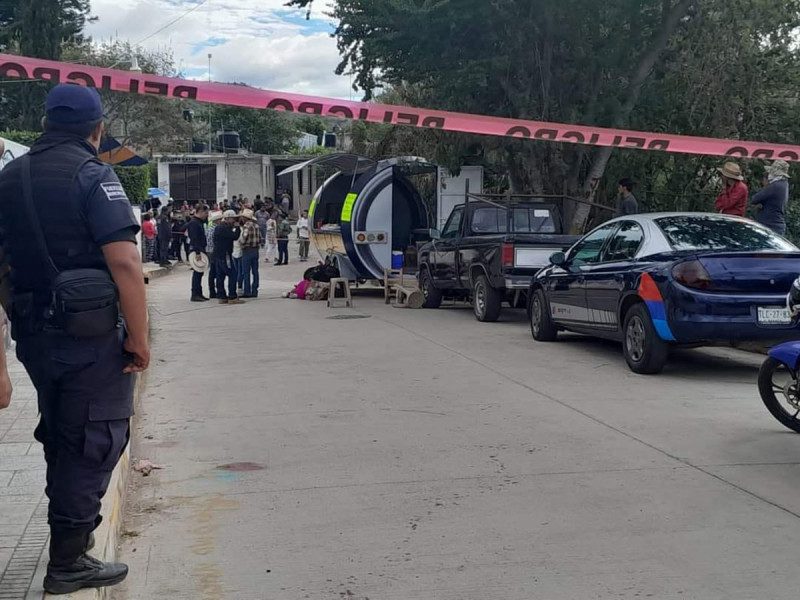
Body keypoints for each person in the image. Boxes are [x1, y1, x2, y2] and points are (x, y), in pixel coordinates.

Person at [0, 84, 149, 594]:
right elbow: (125, 262)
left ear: (44, 123)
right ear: (97, 129)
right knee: (95, 438)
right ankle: (68, 561)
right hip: (90, 339)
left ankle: (70, 541)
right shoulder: (92, 174)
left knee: (63, 436)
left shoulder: (9, 178)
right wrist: (141, 339)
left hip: (34, 337)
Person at [750, 159, 791, 235]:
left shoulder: (775, 186)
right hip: (776, 224)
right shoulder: (784, 184)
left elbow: (754, 199)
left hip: (770, 225)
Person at [212, 211, 244, 305]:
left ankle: (221, 296)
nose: (234, 220)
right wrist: (238, 227)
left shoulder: (219, 227)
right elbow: (234, 236)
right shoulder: (224, 228)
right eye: (233, 218)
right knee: (232, 274)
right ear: (227, 218)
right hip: (225, 255)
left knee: (220, 276)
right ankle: (232, 296)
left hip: (218, 255)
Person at [187, 204, 209, 302]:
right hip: (197, 250)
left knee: (200, 273)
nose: (207, 215)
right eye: (206, 213)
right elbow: (194, 238)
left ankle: (199, 293)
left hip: (200, 249)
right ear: (200, 212)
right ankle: (195, 294)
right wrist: (197, 252)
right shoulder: (194, 223)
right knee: (197, 272)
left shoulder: (199, 222)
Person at [239, 209, 262, 298]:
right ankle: (254, 290)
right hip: (255, 250)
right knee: (255, 271)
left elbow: (243, 238)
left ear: (245, 218)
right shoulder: (256, 226)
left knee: (246, 272)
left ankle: (247, 291)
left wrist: (240, 243)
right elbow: (260, 238)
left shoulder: (246, 226)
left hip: (247, 250)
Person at [206, 211, 222, 298]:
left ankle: (212, 291)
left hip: (209, 251)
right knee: (217, 271)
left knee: (212, 272)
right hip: (215, 251)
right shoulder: (216, 229)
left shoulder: (209, 228)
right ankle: (217, 290)